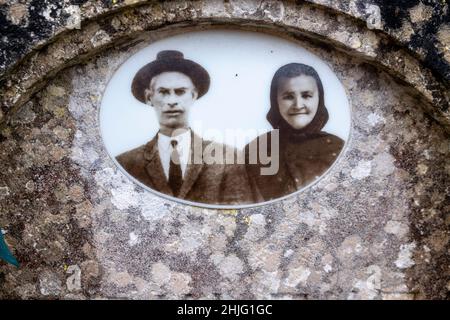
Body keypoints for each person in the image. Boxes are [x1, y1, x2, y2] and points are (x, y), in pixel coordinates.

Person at [116, 50, 254, 205]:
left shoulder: (228, 157)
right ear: (149, 97)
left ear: (193, 95)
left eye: (180, 92)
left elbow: (238, 216)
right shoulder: (126, 163)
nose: (172, 100)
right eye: (163, 92)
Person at [245, 63, 344, 201]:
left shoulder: (337, 148)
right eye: (288, 97)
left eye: (306, 95)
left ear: (319, 99)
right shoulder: (256, 150)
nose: (298, 105)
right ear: (275, 100)